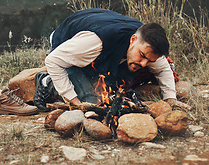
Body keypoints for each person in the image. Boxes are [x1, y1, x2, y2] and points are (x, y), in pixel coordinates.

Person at [33, 8, 192, 111]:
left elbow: (163, 68)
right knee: (91, 102)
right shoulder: (94, 43)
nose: (144, 63)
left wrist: (170, 98)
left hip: (104, 37)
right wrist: (74, 102)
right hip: (66, 40)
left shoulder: (148, 46)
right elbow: (53, 61)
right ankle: (46, 81)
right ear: (133, 40)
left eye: (149, 61)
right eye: (142, 56)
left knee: (113, 88)